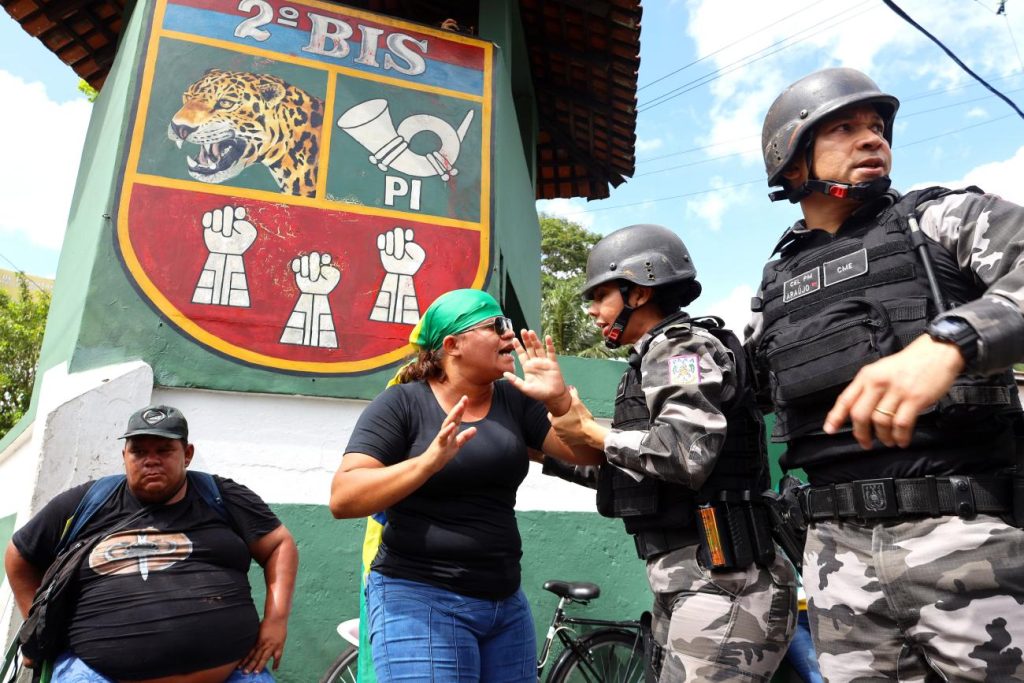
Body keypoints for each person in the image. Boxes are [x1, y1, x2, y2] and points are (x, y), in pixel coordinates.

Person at [748, 67, 1024, 681]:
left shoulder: (940, 221)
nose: (872, 139)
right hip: (834, 564)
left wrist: (953, 340)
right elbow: (735, 394)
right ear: (791, 163)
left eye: (877, 127)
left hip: (966, 540)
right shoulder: (774, 288)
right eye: (844, 128)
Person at [505, 225, 797, 682]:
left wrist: (592, 432)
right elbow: (635, 472)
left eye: (600, 295)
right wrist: (538, 450)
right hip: (690, 579)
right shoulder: (648, 358)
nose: (593, 310)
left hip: (723, 581)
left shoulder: (682, 348)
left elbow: (684, 455)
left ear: (637, 292)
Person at [328, 289, 597, 683]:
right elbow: (343, 497)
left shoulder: (514, 400)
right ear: (453, 345)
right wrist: (426, 464)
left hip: (505, 606)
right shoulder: (402, 404)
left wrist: (558, 401)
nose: (510, 336)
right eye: (496, 327)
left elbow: (588, 456)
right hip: (418, 600)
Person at [4, 405, 299, 683]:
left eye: (164, 450)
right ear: (125, 456)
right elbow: (18, 554)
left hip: (234, 672)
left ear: (187, 454)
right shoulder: (88, 502)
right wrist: (40, 630)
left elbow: (279, 545)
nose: (151, 460)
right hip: (97, 673)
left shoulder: (223, 497)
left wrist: (277, 621)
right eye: (139, 451)